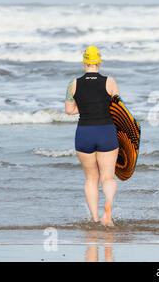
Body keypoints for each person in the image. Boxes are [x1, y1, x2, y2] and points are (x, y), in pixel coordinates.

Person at [65, 46, 120, 226]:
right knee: (108, 178)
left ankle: (95, 218)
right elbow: (119, 109)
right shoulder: (109, 82)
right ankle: (108, 208)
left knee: (91, 178)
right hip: (106, 132)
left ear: (84, 61)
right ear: (99, 61)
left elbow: (69, 110)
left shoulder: (73, 84)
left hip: (84, 133)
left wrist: (88, 107)